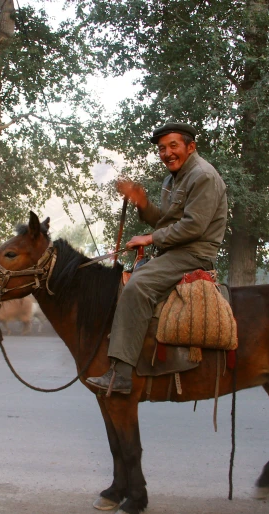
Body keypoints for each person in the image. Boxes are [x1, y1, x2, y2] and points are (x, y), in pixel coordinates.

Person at [86, 122, 228, 394]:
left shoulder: (203, 176)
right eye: (162, 148)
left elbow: (193, 227)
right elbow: (165, 222)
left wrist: (148, 239)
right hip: (174, 252)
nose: (167, 153)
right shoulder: (171, 179)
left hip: (193, 254)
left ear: (191, 146)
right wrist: (142, 203)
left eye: (173, 146)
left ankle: (122, 375)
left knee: (138, 286)